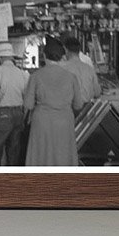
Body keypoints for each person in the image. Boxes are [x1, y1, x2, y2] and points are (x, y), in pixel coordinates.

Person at [24, 37, 85, 166]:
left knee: (41, 156)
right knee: (63, 155)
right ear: (61, 57)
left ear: (44, 56)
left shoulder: (35, 76)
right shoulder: (71, 77)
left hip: (42, 122)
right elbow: (78, 104)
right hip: (64, 121)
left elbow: (28, 104)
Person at [0, 42, 29, 167]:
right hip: (18, 114)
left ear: (1, 58)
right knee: (13, 152)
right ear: (12, 57)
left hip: (2, 114)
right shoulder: (23, 74)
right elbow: (26, 98)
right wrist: (23, 116)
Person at [57, 34, 102, 104]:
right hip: (86, 110)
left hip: (67, 110)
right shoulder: (89, 69)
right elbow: (97, 93)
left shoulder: (61, 67)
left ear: (65, 50)